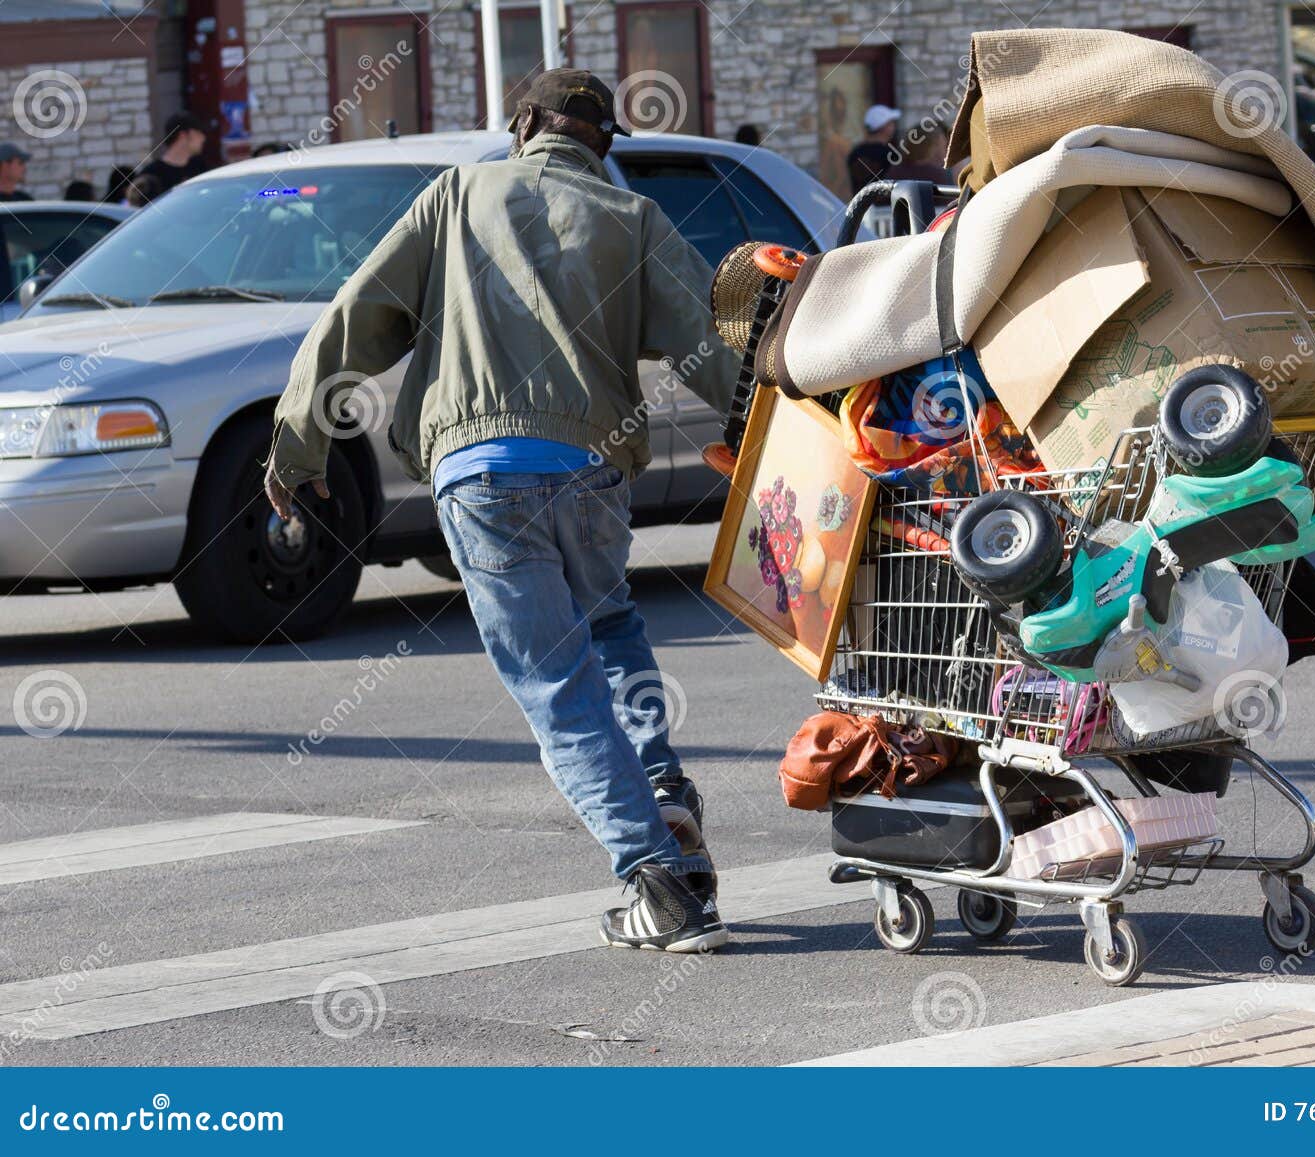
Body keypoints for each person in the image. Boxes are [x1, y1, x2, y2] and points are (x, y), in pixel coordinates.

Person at [265, 69, 738, 953]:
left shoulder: (456, 194)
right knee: (611, 624)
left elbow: (356, 316)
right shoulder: (631, 218)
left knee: (557, 686)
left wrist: (299, 443)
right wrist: (778, 429)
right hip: (593, 469)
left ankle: (657, 882)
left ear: (521, 124)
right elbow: (714, 349)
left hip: (482, 476)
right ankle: (665, 786)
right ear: (603, 144)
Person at [138, 111, 209, 196]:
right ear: (183, 135)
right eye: (198, 133)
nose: (203, 138)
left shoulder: (200, 168)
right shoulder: (151, 175)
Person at [847, 104, 900, 193]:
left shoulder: (854, 153)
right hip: (886, 205)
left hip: (860, 204)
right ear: (884, 127)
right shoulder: (891, 154)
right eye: (891, 123)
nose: (893, 127)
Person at [886, 120, 952, 184]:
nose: (946, 151)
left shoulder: (895, 171)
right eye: (944, 146)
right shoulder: (937, 175)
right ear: (932, 148)